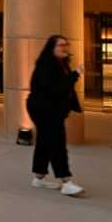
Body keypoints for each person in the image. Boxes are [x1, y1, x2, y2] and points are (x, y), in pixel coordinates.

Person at [25, 35, 86, 197]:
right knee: (57, 143)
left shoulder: (60, 64)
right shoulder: (46, 65)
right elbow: (53, 88)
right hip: (44, 109)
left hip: (49, 108)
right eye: (61, 45)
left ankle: (39, 177)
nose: (65, 47)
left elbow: (62, 88)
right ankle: (66, 181)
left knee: (45, 142)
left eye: (66, 44)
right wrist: (75, 75)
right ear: (51, 48)